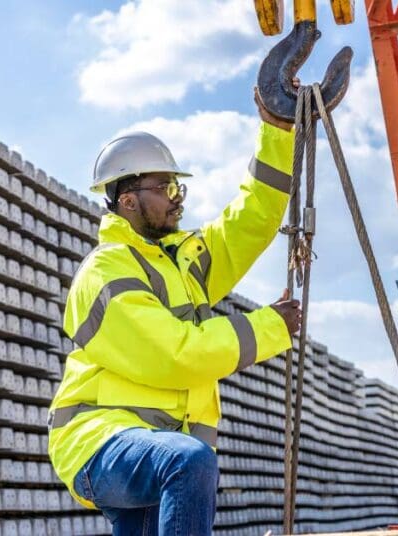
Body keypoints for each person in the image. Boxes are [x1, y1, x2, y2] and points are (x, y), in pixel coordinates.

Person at [47, 89, 303, 535]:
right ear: (127, 199)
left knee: (181, 462)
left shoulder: (183, 266)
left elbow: (254, 218)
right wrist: (268, 327)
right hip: (99, 440)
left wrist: (277, 131)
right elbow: (174, 355)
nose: (176, 197)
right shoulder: (106, 271)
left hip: (154, 445)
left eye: (176, 186)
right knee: (188, 462)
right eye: (165, 187)